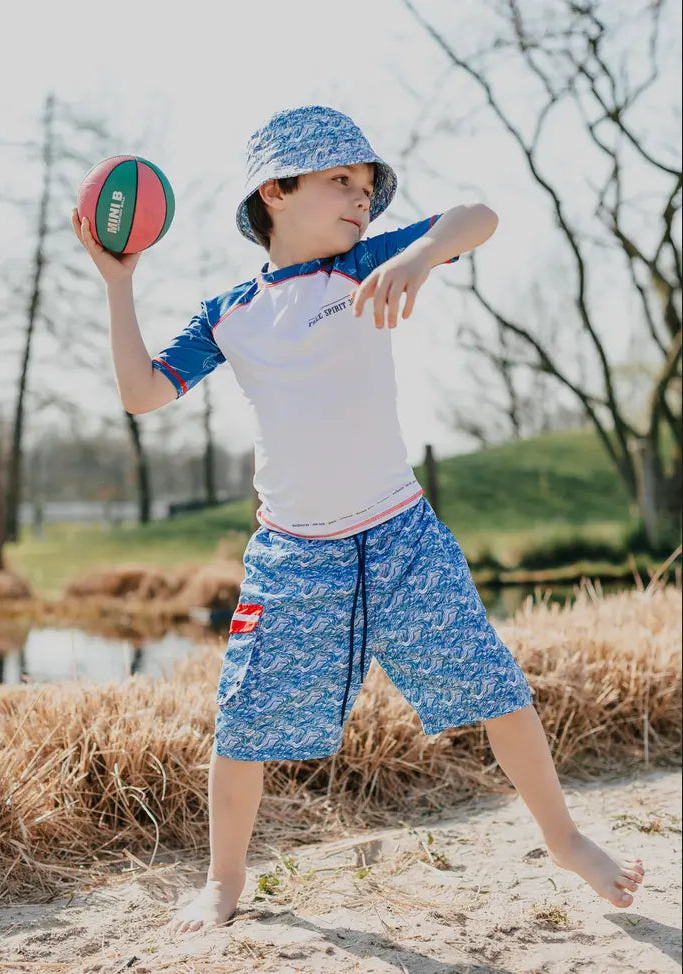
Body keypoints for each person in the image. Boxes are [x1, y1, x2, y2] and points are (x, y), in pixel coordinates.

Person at [71, 105, 644, 936]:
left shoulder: (367, 262)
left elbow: (476, 218)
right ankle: (223, 883)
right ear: (276, 190)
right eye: (341, 181)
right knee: (243, 722)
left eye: (369, 187)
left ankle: (565, 839)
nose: (361, 200)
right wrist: (119, 285)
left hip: (401, 532)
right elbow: (140, 394)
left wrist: (416, 255)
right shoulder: (228, 315)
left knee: (494, 683)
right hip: (294, 556)